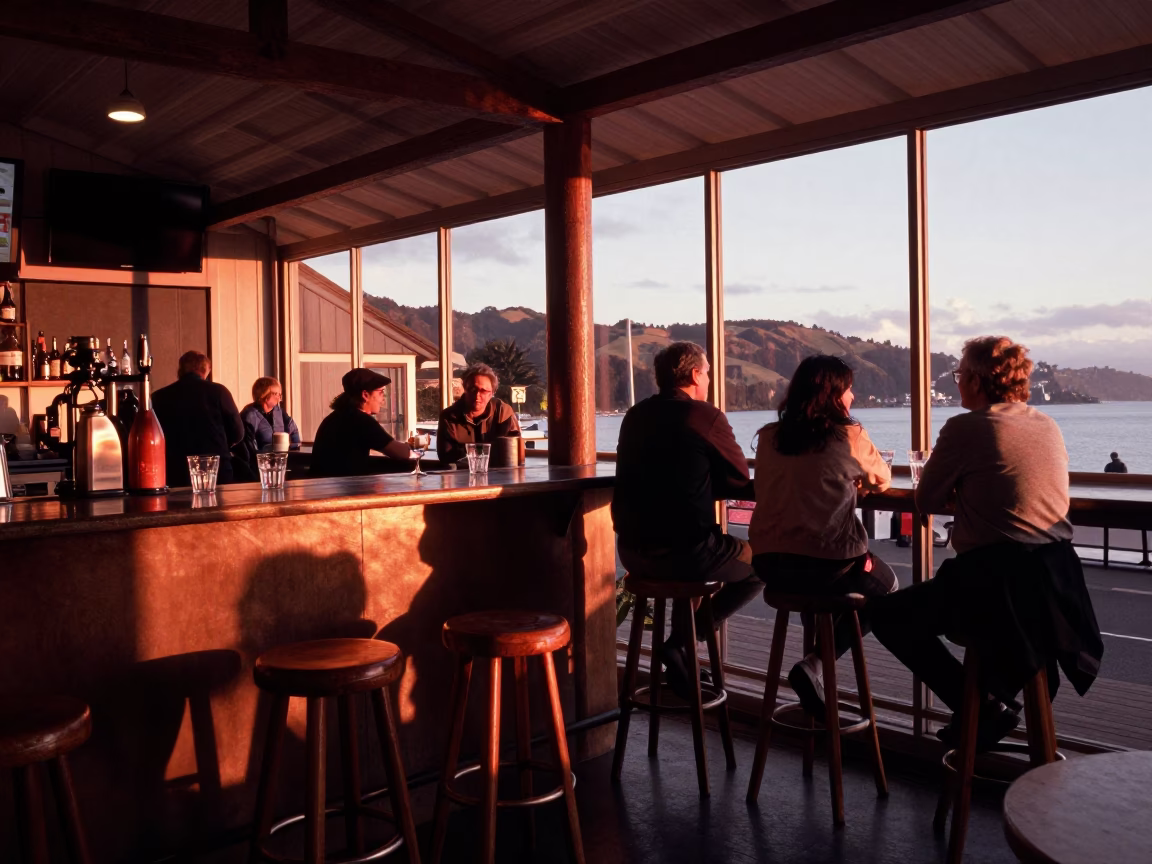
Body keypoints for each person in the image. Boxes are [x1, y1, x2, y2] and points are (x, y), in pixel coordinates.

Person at [871, 336, 1103, 750]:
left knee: (888, 615)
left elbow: (926, 500)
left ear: (977, 381)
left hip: (998, 586)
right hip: (1057, 591)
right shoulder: (1047, 425)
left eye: (959, 374)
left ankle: (979, 706)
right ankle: (991, 721)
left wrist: (962, 494)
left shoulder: (966, 427)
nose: (957, 382)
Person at [748, 355, 897, 722]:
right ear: (833, 395)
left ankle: (815, 664)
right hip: (827, 566)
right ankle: (815, 663)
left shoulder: (769, 437)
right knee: (888, 587)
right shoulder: (850, 436)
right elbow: (883, 479)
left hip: (770, 563)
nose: (853, 396)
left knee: (820, 590)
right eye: (847, 389)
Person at [612, 341, 759, 700]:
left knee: (689, 568)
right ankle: (685, 641)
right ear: (694, 374)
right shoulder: (704, 416)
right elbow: (739, 481)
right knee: (764, 563)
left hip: (632, 552)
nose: (708, 379)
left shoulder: (635, 415)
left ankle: (682, 652)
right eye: (707, 372)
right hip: (686, 554)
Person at [151, 350, 245, 487]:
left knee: (178, 507)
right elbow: (238, 432)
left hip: (175, 468)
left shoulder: (159, 396)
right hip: (215, 467)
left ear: (180, 369)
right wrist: (224, 444)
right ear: (206, 369)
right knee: (216, 506)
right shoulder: (218, 391)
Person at [310, 368, 413, 478]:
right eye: (381, 392)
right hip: (347, 492)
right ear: (365, 395)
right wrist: (414, 446)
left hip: (322, 489)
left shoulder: (333, 418)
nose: (383, 399)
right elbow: (402, 453)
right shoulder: (361, 421)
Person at [436, 363, 521, 467]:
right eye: (472, 389)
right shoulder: (449, 416)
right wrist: (490, 449)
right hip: (462, 477)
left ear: (492, 393)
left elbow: (514, 450)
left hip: (499, 476)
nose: (477, 395)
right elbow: (446, 456)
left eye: (483, 391)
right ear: (465, 389)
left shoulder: (503, 412)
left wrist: (469, 451)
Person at [241, 377, 301, 452]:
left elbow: (293, 430)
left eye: (280, 394)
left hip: (281, 459)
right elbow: (249, 447)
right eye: (276, 394)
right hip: (260, 461)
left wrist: (294, 450)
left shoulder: (279, 412)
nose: (280, 398)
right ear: (264, 395)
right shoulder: (249, 416)